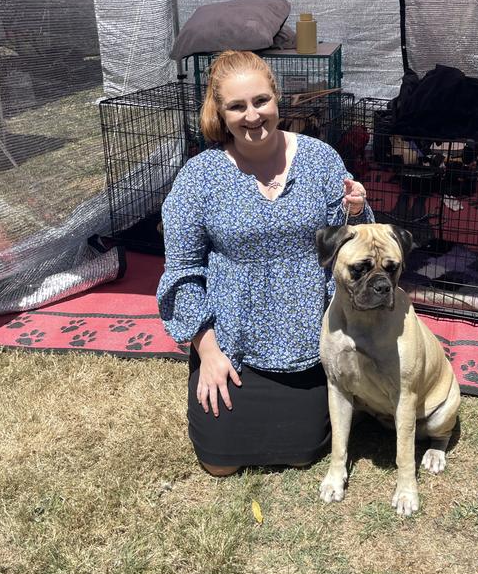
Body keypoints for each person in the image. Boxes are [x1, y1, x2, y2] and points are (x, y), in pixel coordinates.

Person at [157, 50, 373, 476]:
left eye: (260, 101)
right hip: (232, 341)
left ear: (278, 99)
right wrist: (208, 351)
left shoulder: (322, 159)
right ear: (219, 112)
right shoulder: (199, 176)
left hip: (309, 339)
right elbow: (181, 273)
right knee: (218, 463)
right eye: (237, 106)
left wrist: (358, 210)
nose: (252, 116)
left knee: (303, 453)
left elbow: (351, 247)